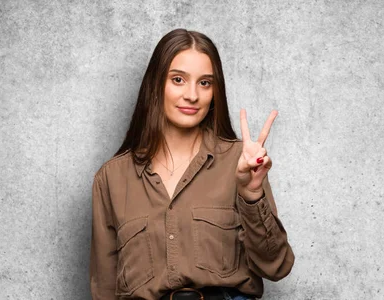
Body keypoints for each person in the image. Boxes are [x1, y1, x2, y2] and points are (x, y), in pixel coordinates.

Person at [90, 28, 295, 300]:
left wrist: (252, 195)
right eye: (178, 79)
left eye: (205, 83)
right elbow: (104, 287)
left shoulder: (240, 163)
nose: (192, 95)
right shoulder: (111, 178)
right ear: (155, 84)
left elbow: (277, 265)